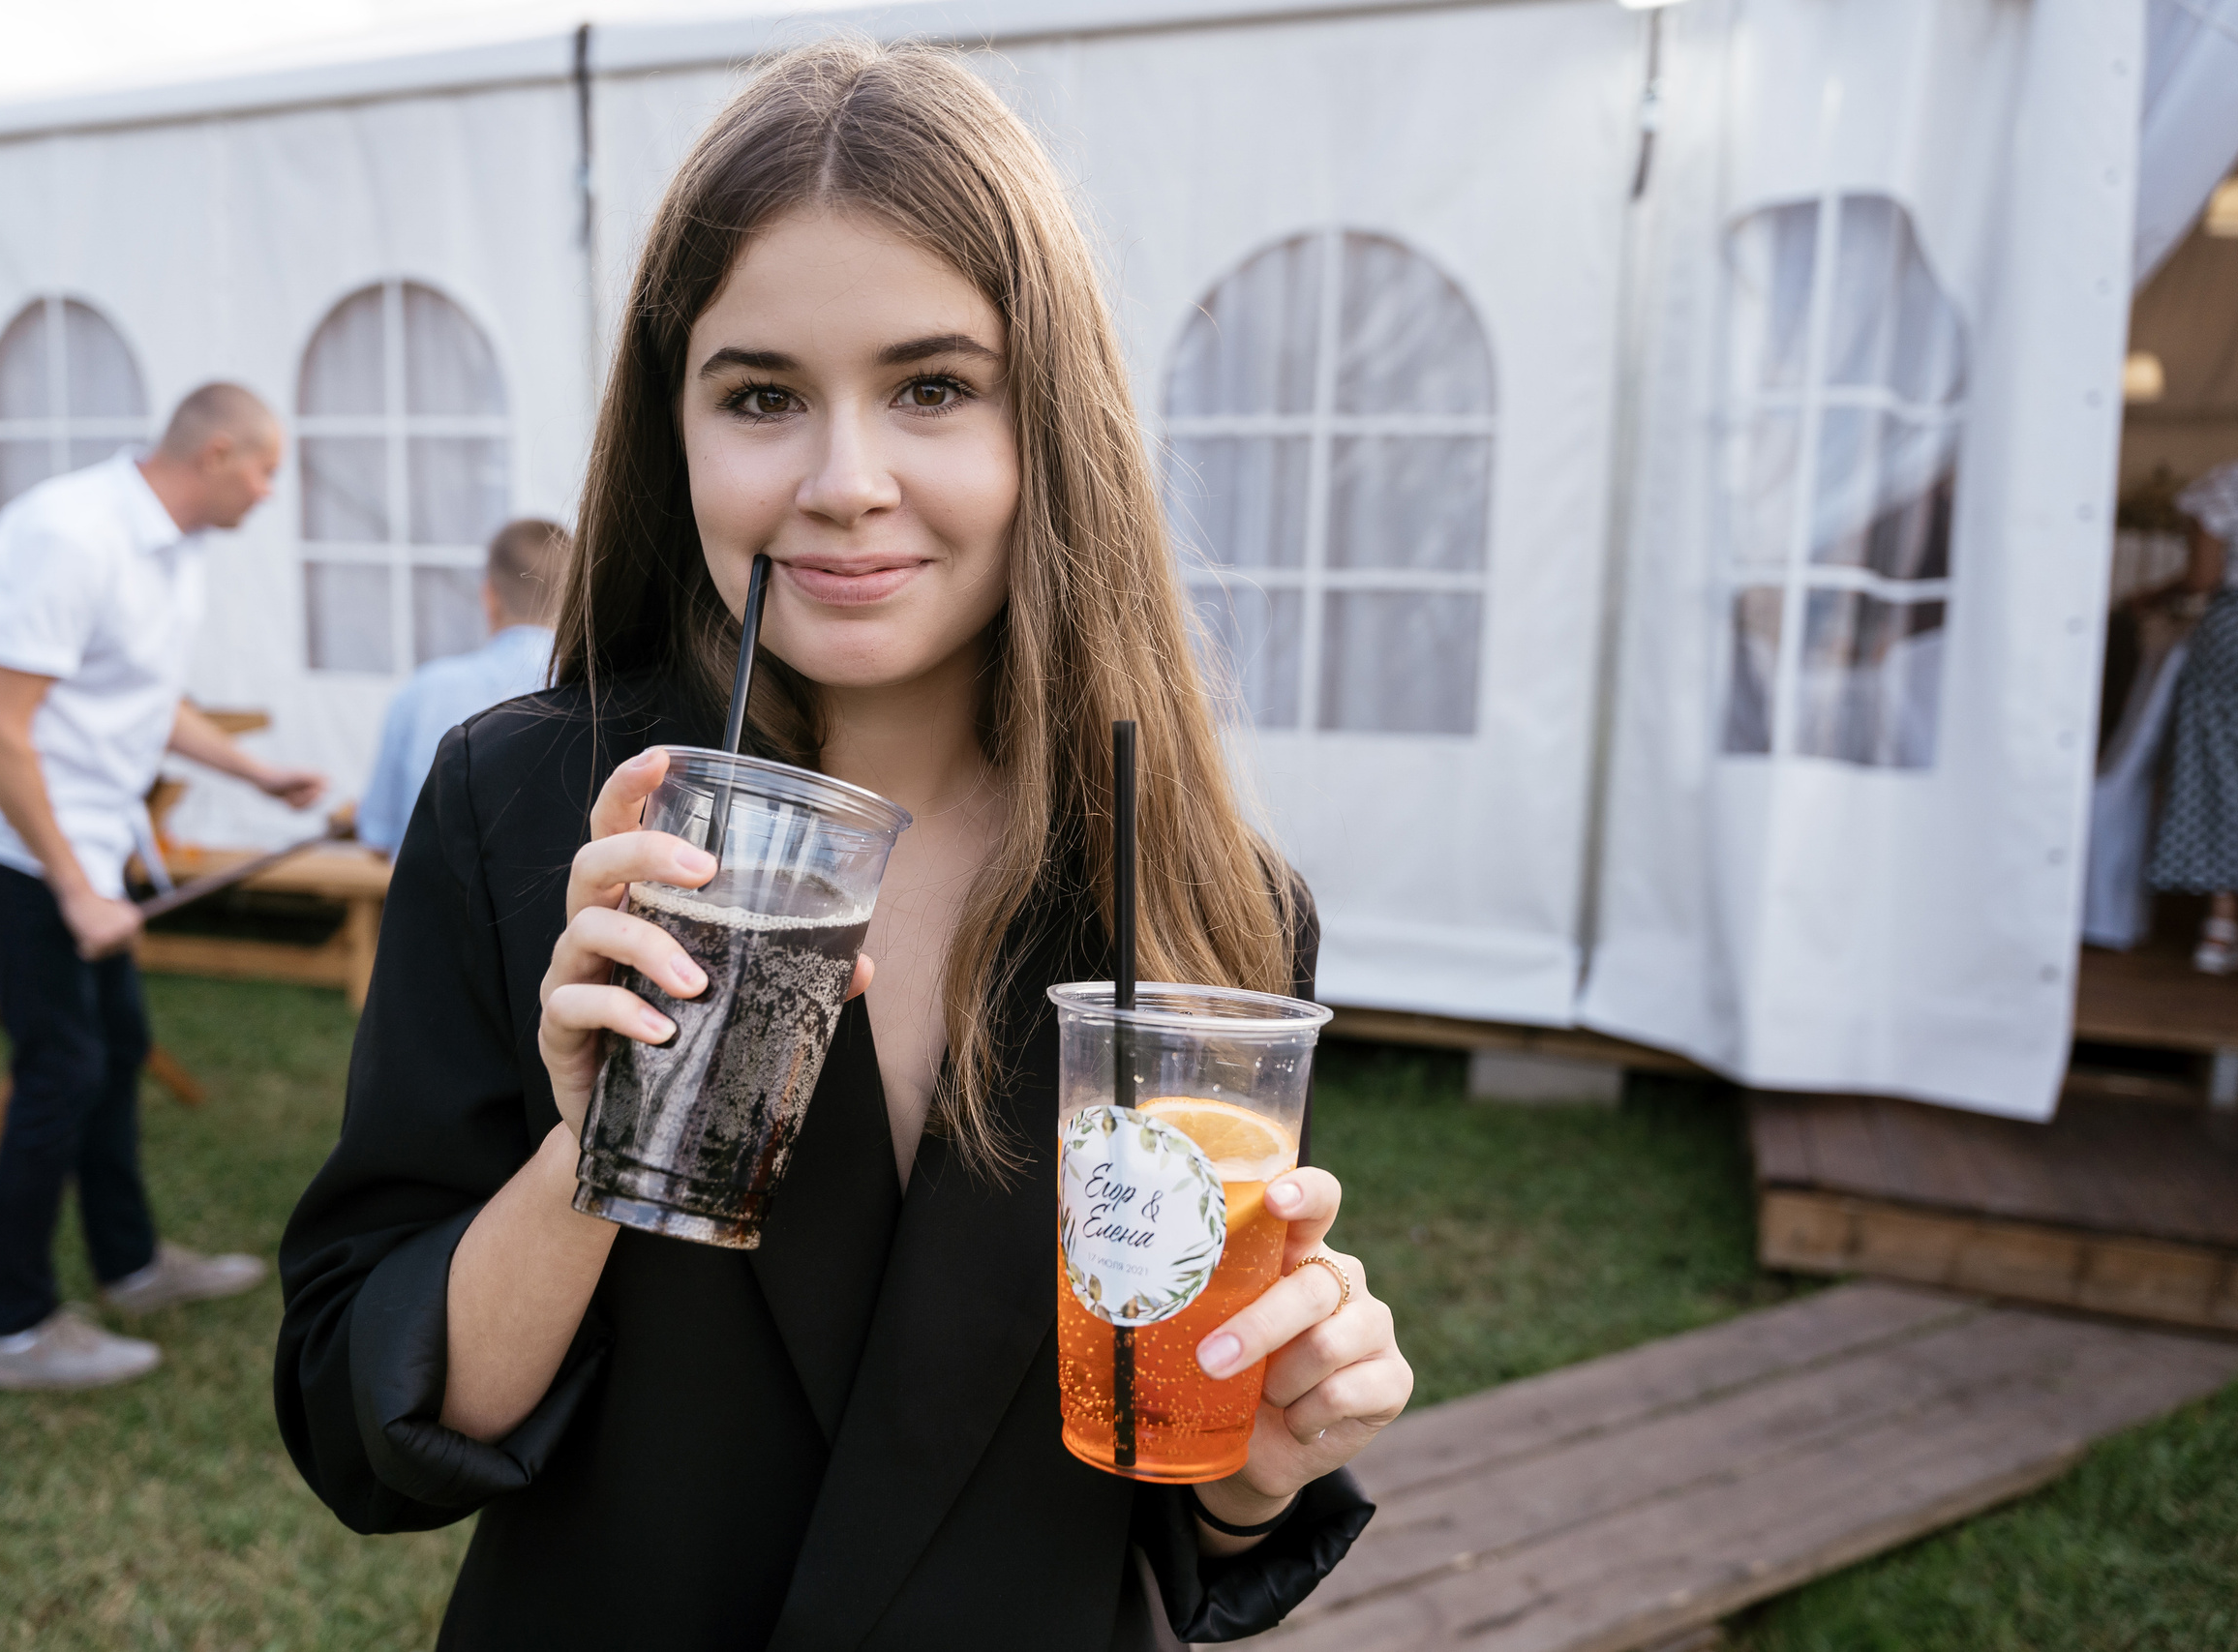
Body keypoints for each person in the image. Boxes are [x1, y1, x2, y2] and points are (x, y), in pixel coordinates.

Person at [274, 42, 1411, 1650]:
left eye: (934, 388)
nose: (843, 482)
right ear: (677, 428)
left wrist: (1262, 1460)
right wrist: (593, 1151)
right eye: (763, 398)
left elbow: (1171, 1484)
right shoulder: (524, 811)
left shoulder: (1204, 891)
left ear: (1053, 424)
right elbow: (365, 1422)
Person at [0, 383, 331, 1392]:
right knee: (61, 1067)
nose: (272, 492)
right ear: (219, 454)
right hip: (17, 841)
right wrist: (71, 887)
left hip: (84, 843)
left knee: (118, 1050)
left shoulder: (171, 551)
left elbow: (141, 703)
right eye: (268, 469)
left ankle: (131, 1265)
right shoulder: (71, 535)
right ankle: (16, 1331)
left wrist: (255, 774)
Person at [355, 519, 567, 856]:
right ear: (577, 598)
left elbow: (379, 833)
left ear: (489, 597)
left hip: (431, 904)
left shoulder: (422, 692)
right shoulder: (604, 693)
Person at [2145, 439, 2238, 973]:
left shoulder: (2229, 483)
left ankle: (2221, 925)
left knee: (2224, 773)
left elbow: (2202, 580)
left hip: (2237, 631)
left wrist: (2152, 595)